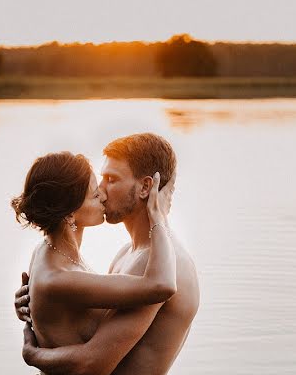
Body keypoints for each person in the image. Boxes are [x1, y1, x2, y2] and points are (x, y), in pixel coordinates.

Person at [15, 133, 200, 375]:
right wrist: (39, 304)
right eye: (101, 178)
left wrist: (33, 355)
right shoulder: (128, 253)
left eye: (111, 180)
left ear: (146, 188)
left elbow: (94, 364)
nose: (100, 190)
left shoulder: (156, 264)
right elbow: (82, 312)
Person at [10, 150, 177, 359]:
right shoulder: (60, 276)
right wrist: (157, 216)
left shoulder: (49, 251)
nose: (104, 196)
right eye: (95, 195)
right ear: (70, 212)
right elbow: (163, 285)